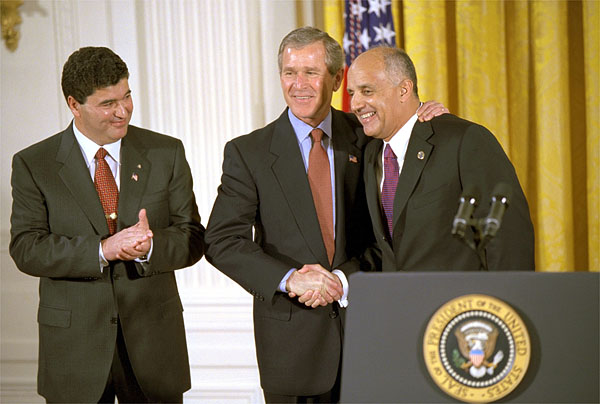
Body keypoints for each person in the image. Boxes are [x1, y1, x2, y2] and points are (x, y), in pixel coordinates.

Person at [204, 27, 447, 403]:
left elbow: (395, 230)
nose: (298, 84)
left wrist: (426, 117)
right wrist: (289, 279)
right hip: (292, 349)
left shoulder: (369, 136)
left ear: (336, 79)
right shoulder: (248, 152)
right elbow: (222, 241)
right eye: (289, 72)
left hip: (372, 335)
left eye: (311, 72)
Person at [9, 47, 205, 403]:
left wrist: (151, 247)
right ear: (74, 104)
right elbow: (26, 248)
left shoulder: (166, 152)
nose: (122, 111)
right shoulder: (34, 164)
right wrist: (102, 250)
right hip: (75, 354)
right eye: (107, 103)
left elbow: (192, 238)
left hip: (154, 351)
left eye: (127, 96)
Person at [346, 46, 534, 272]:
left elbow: (509, 237)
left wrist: (503, 304)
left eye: (367, 91)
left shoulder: (463, 140)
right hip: (399, 304)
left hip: (459, 304)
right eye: (351, 93)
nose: (355, 104)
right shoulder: (370, 153)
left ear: (404, 90)